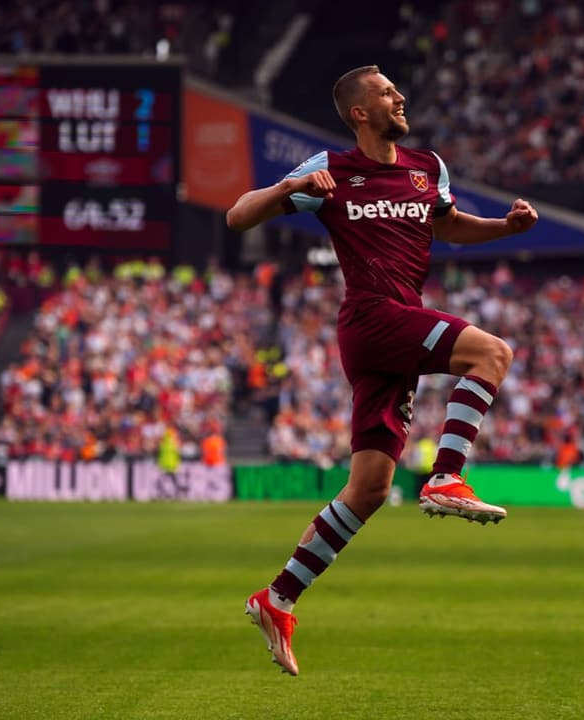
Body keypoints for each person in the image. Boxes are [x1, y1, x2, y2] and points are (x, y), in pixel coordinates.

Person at [226, 64, 538, 675]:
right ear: (359, 112)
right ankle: (447, 476)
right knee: (491, 352)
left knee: (368, 489)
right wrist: (288, 192)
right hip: (371, 316)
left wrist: (505, 227)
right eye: (387, 92)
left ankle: (279, 596)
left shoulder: (427, 166)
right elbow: (239, 216)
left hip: (395, 326)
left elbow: (447, 225)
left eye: (397, 89)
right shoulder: (332, 169)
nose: (401, 96)